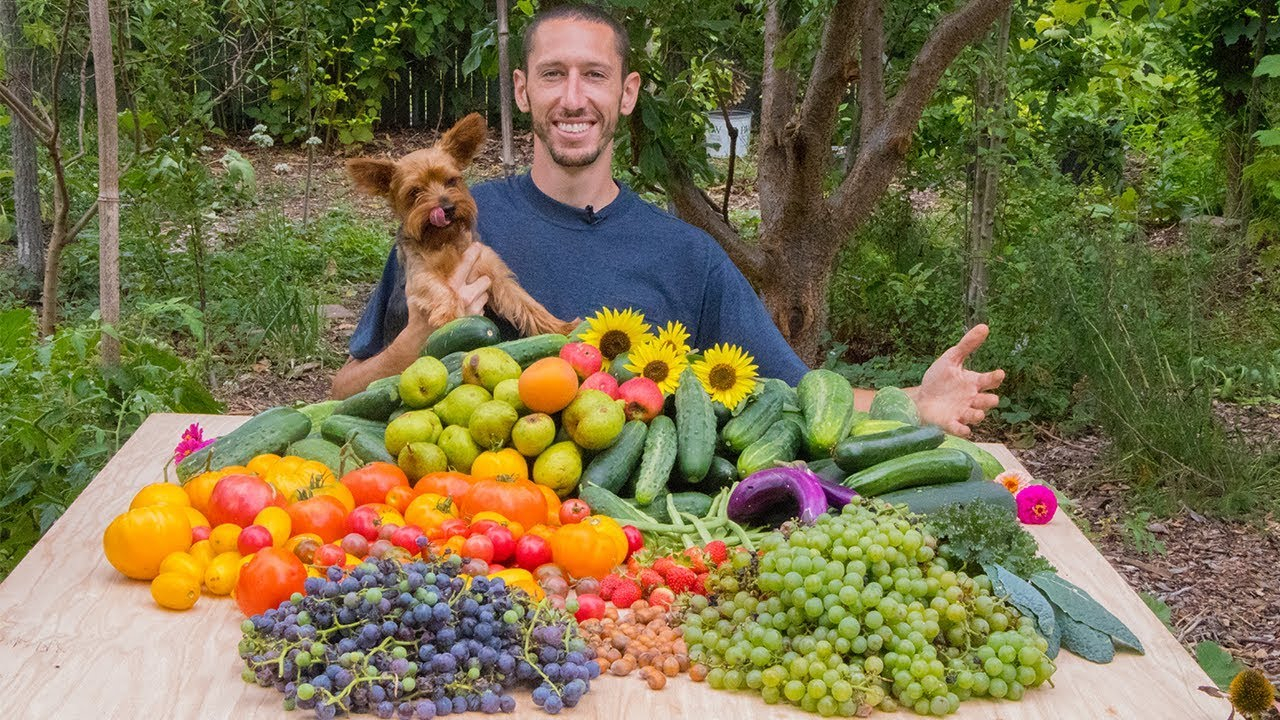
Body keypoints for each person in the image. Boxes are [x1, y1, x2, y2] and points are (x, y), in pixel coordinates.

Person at [331, 4, 1003, 437]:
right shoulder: (444, 226)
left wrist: (913, 400)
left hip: (635, 556)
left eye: (594, 75)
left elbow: (797, 393)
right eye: (553, 74)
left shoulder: (688, 254)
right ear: (521, 89)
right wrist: (414, 339)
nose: (572, 97)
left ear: (626, 95)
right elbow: (343, 393)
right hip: (476, 530)